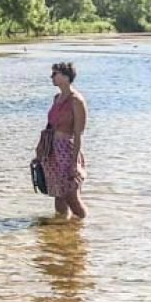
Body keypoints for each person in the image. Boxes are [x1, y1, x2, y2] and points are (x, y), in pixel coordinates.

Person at [38, 61, 88, 219]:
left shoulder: (76, 100)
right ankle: (62, 231)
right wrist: (40, 149)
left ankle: (82, 229)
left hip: (67, 150)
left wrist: (74, 162)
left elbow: (79, 134)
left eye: (55, 74)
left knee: (71, 195)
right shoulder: (57, 98)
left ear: (66, 77)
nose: (51, 77)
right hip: (52, 149)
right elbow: (49, 126)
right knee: (57, 194)